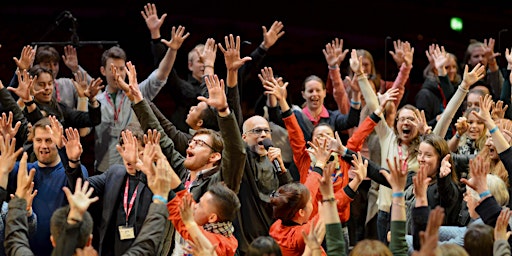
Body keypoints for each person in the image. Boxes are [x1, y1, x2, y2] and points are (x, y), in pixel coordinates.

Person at [142, 2, 284, 131]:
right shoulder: (182, 87)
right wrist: (156, 36)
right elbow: (163, 71)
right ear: (190, 65)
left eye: (207, 60)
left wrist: (263, 47)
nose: (204, 64)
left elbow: (241, 69)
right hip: (188, 142)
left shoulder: (218, 86)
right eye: (200, 61)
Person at [5, 150, 172, 256]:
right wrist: (161, 198)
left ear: (53, 241)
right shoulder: (114, 173)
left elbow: (14, 240)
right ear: (89, 241)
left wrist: (20, 199)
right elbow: (147, 245)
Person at [93, 24, 189, 174]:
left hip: (136, 168)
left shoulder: (137, 92)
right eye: (112, 68)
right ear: (103, 71)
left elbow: (161, 74)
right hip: (103, 170)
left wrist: (172, 50)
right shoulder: (96, 100)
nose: (117, 73)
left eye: (121, 68)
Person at [6, 117, 89, 256]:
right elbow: (3, 170)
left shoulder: (72, 171)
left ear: (57, 141)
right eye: (39, 140)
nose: (43, 145)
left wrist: (72, 160)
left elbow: (78, 185)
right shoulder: (23, 170)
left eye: (49, 140)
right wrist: (4, 140)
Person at [167, 182, 241, 256]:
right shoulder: (219, 229)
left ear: (212, 218)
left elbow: (182, 220)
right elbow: (185, 196)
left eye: (200, 205)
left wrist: (165, 192)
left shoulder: (215, 244)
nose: (195, 206)